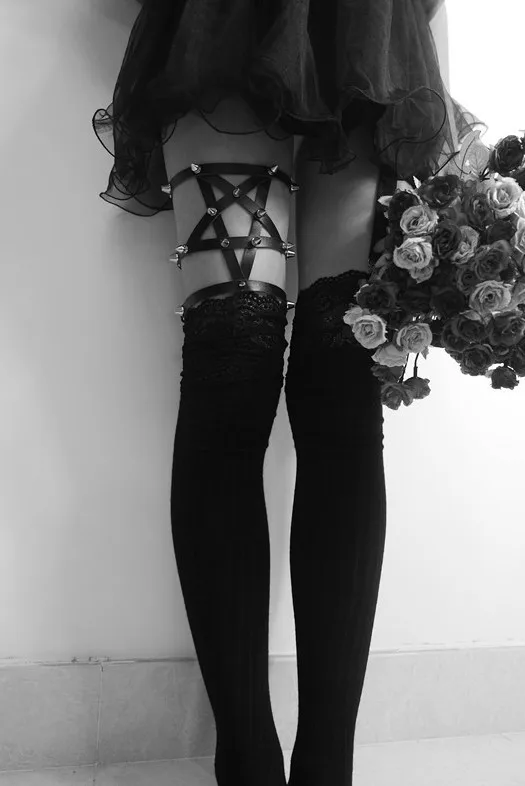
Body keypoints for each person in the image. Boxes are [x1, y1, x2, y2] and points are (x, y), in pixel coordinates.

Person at [93, 2, 480, 784]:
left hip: (366, 31)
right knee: (230, 361)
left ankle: (326, 765)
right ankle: (246, 761)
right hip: (226, 22)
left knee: (340, 382)